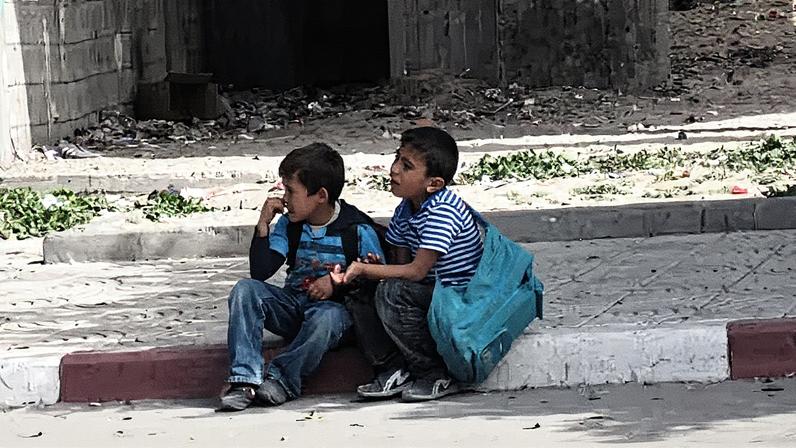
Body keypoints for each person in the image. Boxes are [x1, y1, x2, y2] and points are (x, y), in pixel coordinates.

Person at [219, 142, 387, 411]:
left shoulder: (356, 229)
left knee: (327, 316)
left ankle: (283, 379)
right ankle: (244, 379)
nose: (285, 198)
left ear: (320, 195)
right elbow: (261, 272)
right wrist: (263, 226)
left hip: (334, 318)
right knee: (245, 290)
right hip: (294, 307)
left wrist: (335, 284)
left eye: (291, 190)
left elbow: (377, 281)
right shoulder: (291, 225)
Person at [333, 127, 484, 402]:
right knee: (361, 292)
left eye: (406, 166)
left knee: (393, 293)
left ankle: (434, 372)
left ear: (434, 184)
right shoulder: (406, 207)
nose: (393, 170)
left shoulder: (443, 211)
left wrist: (367, 269)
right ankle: (392, 367)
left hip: (458, 297)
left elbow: (416, 271)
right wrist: (375, 269)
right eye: (396, 159)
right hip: (427, 290)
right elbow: (400, 263)